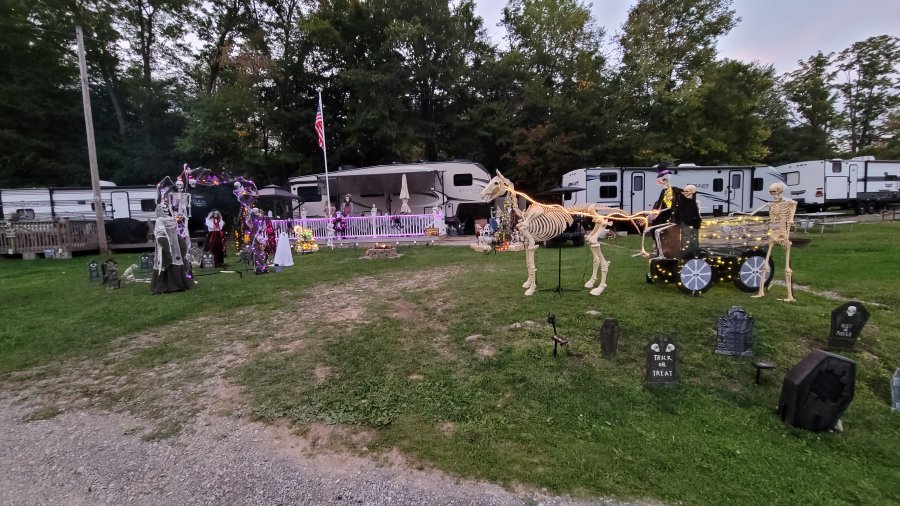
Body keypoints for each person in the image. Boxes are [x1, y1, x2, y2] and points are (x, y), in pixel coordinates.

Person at [151, 201, 195, 294]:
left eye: (167, 208)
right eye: (164, 208)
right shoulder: (160, 220)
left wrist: (182, 244)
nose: (166, 210)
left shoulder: (171, 219)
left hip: (175, 245)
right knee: (166, 262)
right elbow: (160, 234)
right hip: (165, 245)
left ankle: (177, 285)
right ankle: (166, 286)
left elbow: (175, 232)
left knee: (177, 261)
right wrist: (167, 248)